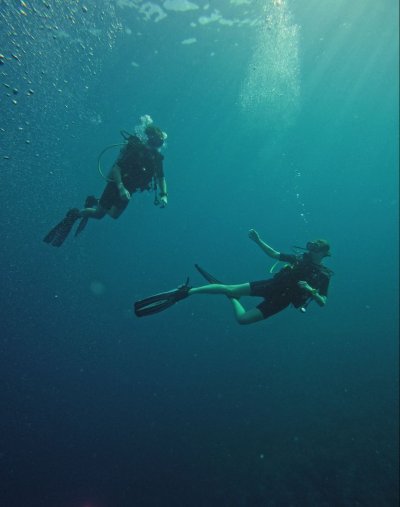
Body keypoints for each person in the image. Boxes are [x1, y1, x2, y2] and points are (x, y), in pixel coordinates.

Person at [134, 230, 333, 325]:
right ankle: (188, 291)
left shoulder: (324, 275)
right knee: (229, 287)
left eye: (315, 248)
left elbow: (323, 301)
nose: (310, 250)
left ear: (324, 253)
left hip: (282, 301)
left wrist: (311, 290)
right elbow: (274, 254)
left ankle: (233, 298)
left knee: (243, 319)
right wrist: (258, 240)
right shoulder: (300, 258)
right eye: (311, 246)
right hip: (273, 285)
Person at [43, 115, 168, 247]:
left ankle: (97, 202)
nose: (156, 147)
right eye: (155, 143)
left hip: (129, 190)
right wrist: (121, 188)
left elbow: (161, 177)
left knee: (114, 215)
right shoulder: (136, 151)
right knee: (99, 214)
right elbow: (116, 169)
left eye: (159, 144)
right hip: (116, 184)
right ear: (149, 140)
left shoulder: (157, 158)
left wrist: (164, 194)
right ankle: (76, 214)